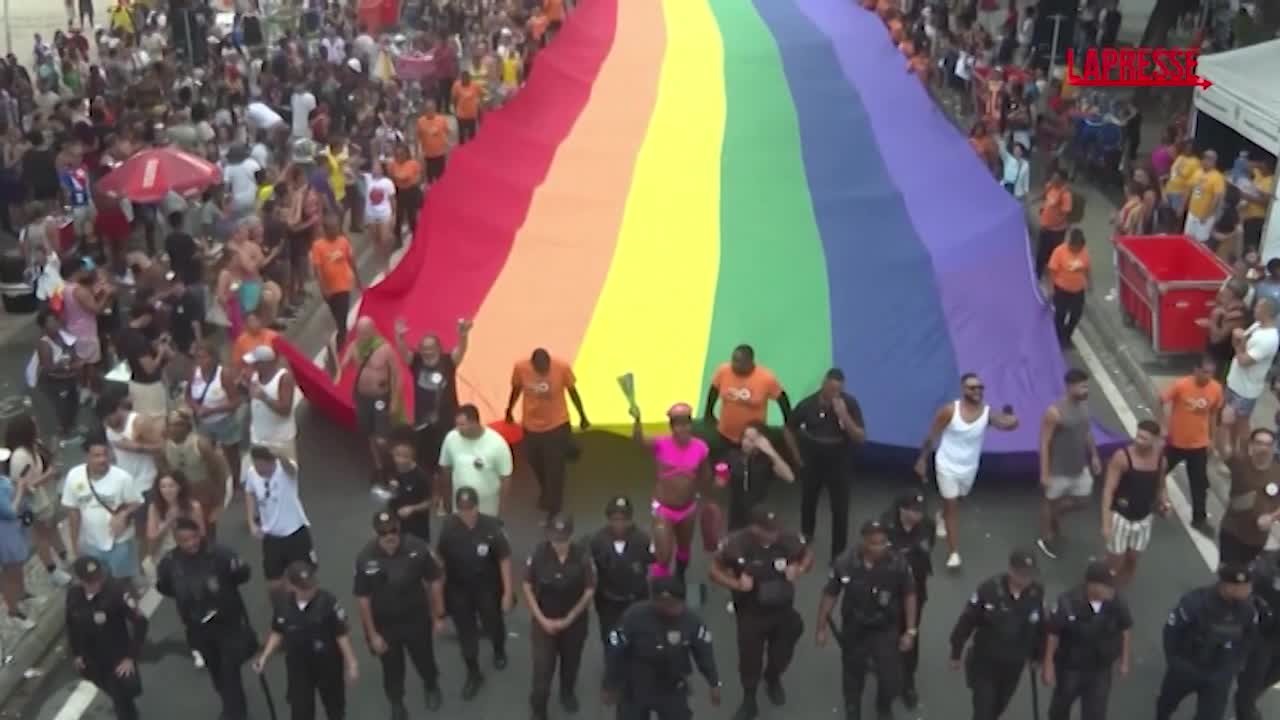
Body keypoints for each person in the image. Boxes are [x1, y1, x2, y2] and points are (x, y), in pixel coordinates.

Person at [709, 505, 812, 720]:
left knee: (784, 649)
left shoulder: (788, 539)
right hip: (751, 612)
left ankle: (773, 677)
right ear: (754, 528)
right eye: (768, 530)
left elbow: (807, 554)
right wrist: (736, 584)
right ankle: (749, 700)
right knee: (749, 658)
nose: (774, 534)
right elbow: (714, 570)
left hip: (783, 609)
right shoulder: (736, 543)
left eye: (775, 529)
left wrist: (800, 569)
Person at [914, 374, 1020, 568]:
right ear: (963, 390)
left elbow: (1006, 425)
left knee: (957, 499)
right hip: (946, 465)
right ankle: (954, 553)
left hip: (969, 468)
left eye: (980, 387)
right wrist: (921, 459)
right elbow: (932, 436)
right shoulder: (948, 411)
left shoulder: (988, 413)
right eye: (972, 388)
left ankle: (941, 515)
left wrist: (1013, 421)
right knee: (953, 508)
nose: (977, 391)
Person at [816, 519, 918, 720]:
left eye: (883, 542)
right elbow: (830, 594)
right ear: (863, 541)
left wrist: (910, 630)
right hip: (855, 627)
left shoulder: (898, 563)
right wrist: (820, 627)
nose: (879, 547)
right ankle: (853, 711)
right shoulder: (845, 562)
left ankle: (883, 706)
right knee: (853, 675)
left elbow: (910, 595)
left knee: (891, 678)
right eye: (873, 543)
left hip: (885, 627)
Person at [155, 519, 257, 720]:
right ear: (177, 541)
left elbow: (243, 574)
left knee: (230, 672)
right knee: (216, 672)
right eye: (185, 540)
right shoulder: (169, 563)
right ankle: (230, 704)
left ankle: (236, 714)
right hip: (197, 627)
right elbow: (166, 587)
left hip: (228, 623)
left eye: (194, 538)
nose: (191, 543)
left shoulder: (220, 554)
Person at [354, 511, 446, 718]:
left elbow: (435, 578)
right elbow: (362, 598)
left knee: (424, 659)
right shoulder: (365, 558)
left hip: (416, 619)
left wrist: (438, 614)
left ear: (399, 529)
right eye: (383, 532)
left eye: (393, 530)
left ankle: (431, 686)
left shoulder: (417, 548)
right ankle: (397, 703)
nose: (390, 536)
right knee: (392, 668)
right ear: (376, 533)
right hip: (385, 625)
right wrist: (372, 635)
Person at [603, 576, 723, 719]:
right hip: (636, 684)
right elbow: (616, 651)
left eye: (677, 603)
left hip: (672, 685)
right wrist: (610, 684)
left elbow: (704, 652)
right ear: (655, 601)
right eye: (668, 604)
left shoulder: (691, 621)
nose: (675, 608)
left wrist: (714, 682)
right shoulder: (634, 616)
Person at [253, 562, 359, 720]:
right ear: (291, 586)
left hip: (327, 664)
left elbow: (341, 634)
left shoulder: (328, 602)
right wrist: (265, 657)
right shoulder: (283, 605)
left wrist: (352, 663)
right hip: (299, 665)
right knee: (301, 711)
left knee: (335, 709)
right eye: (303, 588)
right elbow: (278, 631)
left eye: (311, 586)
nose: (309, 591)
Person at [436, 486, 515, 699]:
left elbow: (504, 558)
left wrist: (507, 593)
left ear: (477, 507)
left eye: (470, 508)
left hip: (487, 588)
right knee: (466, 634)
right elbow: (441, 563)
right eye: (462, 509)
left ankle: (499, 649)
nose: (466, 513)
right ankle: (473, 673)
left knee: (493, 622)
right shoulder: (449, 528)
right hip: (458, 590)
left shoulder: (491, 526)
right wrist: (439, 604)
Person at [948, 549, 1044, 720]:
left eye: (1029, 575)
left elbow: (1038, 625)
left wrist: (1037, 655)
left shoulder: (1036, 593)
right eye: (1021, 574)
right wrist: (956, 652)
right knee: (983, 711)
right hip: (985, 663)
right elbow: (967, 621)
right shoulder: (989, 590)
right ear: (1011, 569)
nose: (1025, 579)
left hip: (1013, 665)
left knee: (998, 707)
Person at [1155, 564, 1259, 720]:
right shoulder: (1195, 602)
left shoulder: (1248, 609)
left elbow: (1250, 636)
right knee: (1166, 704)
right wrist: (1175, 663)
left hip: (1219, 673)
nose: (1249, 590)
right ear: (1228, 587)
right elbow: (1171, 631)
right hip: (1189, 665)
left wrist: (1236, 664)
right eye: (1244, 587)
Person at [783, 368, 866, 561]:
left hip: (839, 460)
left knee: (840, 508)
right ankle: (805, 539)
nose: (834, 395)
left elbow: (860, 437)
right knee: (808, 502)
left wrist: (843, 415)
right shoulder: (807, 404)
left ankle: (838, 554)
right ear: (823, 385)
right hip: (813, 458)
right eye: (831, 390)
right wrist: (797, 457)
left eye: (838, 391)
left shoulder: (850, 404)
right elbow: (788, 429)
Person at [523, 513, 596, 720]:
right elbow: (527, 586)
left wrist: (570, 618)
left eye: (563, 539)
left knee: (571, 662)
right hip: (544, 620)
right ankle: (539, 707)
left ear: (571, 536)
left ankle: (567, 692)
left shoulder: (582, 556)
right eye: (555, 538)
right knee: (542, 668)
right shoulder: (539, 553)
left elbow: (589, 590)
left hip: (574, 622)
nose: (559, 543)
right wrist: (541, 619)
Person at [505, 348, 589, 519]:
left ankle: (554, 507)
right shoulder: (521, 368)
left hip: (557, 424)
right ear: (533, 364)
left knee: (554, 467)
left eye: (546, 367)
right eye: (540, 368)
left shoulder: (561, 368)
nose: (544, 371)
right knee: (535, 461)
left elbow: (573, 392)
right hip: (531, 424)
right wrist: (509, 409)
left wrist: (582, 416)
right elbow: (516, 389)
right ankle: (546, 489)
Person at [1042, 561, 1132, 720]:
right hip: (1072, 667)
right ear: (1092, 585)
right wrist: (1047, 664)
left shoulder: (1116, 601)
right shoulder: (1067, 603)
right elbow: (1053, 634)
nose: (1110, 590)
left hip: (1100, 668)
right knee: (1060, 709)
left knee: (1095, 714)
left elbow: (1125, 628)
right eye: (1106, 586)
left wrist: (1124, 660)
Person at [631, 402, 710, 582]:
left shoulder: (700, 447)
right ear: (672, 427)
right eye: (678, 424)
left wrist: (706, 498)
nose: (683, 428)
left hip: (688, 508)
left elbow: (705, 476)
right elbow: (638, 442)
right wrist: (637, 421)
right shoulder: (661, 443)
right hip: (664, 508)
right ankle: (660, 589)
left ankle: (679, 580)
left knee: (683, 548)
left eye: (686, 423)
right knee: (664, 555)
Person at [395, 317, 470, 501]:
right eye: (424, 349)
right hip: (424, 423)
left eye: (431, 348)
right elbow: (403, 352)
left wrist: (463, 335)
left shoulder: (448, 361)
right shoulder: (416, 362)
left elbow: (461, 350)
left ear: (438, 347)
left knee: (449, 461)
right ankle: (435, 493)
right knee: (428, 462)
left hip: (447, 421)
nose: (427, 352)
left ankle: (450, 493)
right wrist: (400, 337)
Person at [65, 556, 148, 720]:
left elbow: (140, 622)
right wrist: (76, 654)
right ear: (80, 580)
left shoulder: (116, 591)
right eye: (90, 581)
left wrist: (130, 657)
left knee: (122, 699)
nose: (96, 584)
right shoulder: (73, 595)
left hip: (116, 658)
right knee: (114, 693)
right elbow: (71, 626)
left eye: (97, 579)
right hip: (91, 660)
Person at [1036, 369, 1102, 559]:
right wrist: (1045, 472)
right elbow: (1044, 442)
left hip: (1079, 466)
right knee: (1049, 501)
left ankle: (1056, 515)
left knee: (1083, 500)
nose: (1085, 390)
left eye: (1086, 385)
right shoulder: (1054, 413)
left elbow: (1087, 431)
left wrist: (1095, 456)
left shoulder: (1084, 406)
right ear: (1069, 387)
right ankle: (1046, 536)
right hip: (1058, 469)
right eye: (1082, 386)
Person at [61, 434, 142, 585]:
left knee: (124, 584)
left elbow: (136, 503)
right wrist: (75, 544)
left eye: (105, 454)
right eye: (96, 456)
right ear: (87, 457)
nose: (102, 459)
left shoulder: (123, 478)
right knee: (99, 584)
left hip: (120, 543)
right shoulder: (74, 476)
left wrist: (123, 515)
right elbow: (73, 512)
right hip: (91, 544)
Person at [881, 493, 935, 709]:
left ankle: (907, 682)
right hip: (890, 591)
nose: (918, 515)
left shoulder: (927, 525)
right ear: (902, 509)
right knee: (885, 633)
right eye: (913, 510)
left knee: (911, 632)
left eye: (920, 511)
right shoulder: (886, 526)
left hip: (916, 590)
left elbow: (925, 551)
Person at [4, 414, 72, 587]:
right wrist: (48, 475)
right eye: (34, 425)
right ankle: (52, 571)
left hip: (45, 498)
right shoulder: (20, 457)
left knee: (52, 527)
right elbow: (21, 486)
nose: (38, 427)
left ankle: (64, 556)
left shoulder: (34, 446)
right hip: (32, 504)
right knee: (41, 535)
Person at [1100, 420, 1170, 586]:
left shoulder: (1161, 460)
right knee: (1115, 560)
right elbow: (1108, 490)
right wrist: (1106, 523)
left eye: (1144, 438)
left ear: (1155, 440)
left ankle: (1121, 585)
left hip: (1144, 518)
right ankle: (1104, 583)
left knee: (1133, 558)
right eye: (1138, 436)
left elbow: (1161, 485)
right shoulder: (1121, 458)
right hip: (1121, 517)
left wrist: (1165, 504)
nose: (1138, 440)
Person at [1161, 356, 1223, 536]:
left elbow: (1213, 415)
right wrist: (1163, 426)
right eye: (1205, 372)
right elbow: (1161, 400)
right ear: (1195, 370)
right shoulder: (1181, 385)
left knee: (1199, 484)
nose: (1208, 376)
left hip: (1198, 445)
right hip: (1175, 443)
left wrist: (1213, 439)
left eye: (1211, 372)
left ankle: (1199, 520)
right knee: (1157, 471)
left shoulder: (1216, 389)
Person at [242, 445, 315, 595]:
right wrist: (251, 522)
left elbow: (291, 468)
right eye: (255, 464)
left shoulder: (286, 471)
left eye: (261, 465)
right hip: (271, 536)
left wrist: (280, 454)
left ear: (271, 462)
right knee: (274, 585)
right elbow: (249, 492)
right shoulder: (252, 473)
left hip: (295, 533)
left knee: (304, 579)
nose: (258, 469)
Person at [703, 345, 791, 459]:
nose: (734, 365)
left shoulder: (766, 378)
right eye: (733, 360)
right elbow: (714, 390)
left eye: (739, 362)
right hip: (725, 434)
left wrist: (788, 422)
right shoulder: (723, 371)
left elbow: (782, 399)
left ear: (750, 362)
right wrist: (708, 412)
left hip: (753, 439)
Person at [587, 496, 654, 647]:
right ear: (609, 520)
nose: (619, 524)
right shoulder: (597, 541)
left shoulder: (643, 540)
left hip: (636, 599)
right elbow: (587, 568)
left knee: (637, 639)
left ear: (630, 520)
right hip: (608, 601)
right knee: (611, 640)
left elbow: (656, 562)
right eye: (615, 519)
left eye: (624, 519)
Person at [1214, 416, 1280, 566]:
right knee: (1226, 571)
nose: (1264, 448)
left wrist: (1272, 517)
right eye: (1259, 443)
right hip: (1232, 531)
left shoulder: (1278, 470)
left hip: (1258, 537)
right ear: (1252, 445)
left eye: (1268, 444)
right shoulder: (1240, 463)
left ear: (1274, 447)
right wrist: (1224, 425)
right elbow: (1222, 448)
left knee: (1246, 572)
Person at [343, 317, 400, 481]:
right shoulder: (354, 347)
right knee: (370, 434)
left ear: (373, 331)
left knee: (382, 438)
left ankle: (393, 466)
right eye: (360, 333)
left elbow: (397, 375)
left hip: (380, 398)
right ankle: (379, 468)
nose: (363, 336)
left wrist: (395, 400)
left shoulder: (385, 349)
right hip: (363, 398)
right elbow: (342, 366)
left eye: (366, 332)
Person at [163, 409, 229, 538]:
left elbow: (218, 472)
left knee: (205, 531)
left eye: (178, 424)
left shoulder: (200, 445)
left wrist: (219, 503)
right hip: (180, 496)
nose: (174, 428)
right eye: (171, 424)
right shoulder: (164, 446)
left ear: (187, 426)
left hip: (203, 495)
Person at [439, 404, 514, 516]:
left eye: (462, 425)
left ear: (475, 423)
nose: (458, 429)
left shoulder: (497, 443)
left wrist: (502, 510)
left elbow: (505, 478)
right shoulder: (451, 438)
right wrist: (446, 499)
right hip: (460, 508)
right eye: (457, 425)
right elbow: (445, 469)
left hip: (487, 509)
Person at [1224, 297, 1279, 449]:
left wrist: (1237, 343)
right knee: (1231, 420)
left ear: (1267, 312)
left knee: (1242, 422)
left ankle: (1243, 452)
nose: (1254, 309)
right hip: (1235, 382)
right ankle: (1232, 448)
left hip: (1246, 390)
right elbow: (1243, 341)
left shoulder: (1268, 339)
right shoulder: (1257, 325)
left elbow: (1244, 360)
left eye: (1258, 307)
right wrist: (1239, 339)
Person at [725, 422, 795, 532]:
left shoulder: (766, 461)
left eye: (752, 440)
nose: (746, 443)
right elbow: (721, 479)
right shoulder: (733, 455)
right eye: (745, 438)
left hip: (758, 515)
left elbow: (789, 477)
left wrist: (770, 451)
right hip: (736, 517)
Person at [1235, 550, 1280, 720]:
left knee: (1265, 681)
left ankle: (1250, 701)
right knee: (1247, 692)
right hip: (1262, 637)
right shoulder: (1266, 567)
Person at [309, 215, 361, 350]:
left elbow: (351, 260)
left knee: (342, 322)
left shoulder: (343, 241)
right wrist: (323, 289)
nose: (335, 230)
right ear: (326, 230)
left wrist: (358, 279)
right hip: (330, 290)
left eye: (337, 227)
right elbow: (318, 270)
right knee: (339, 320)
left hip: (344, 286)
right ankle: (339, 345)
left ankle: (341, 348)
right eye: (332, 228)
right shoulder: (318, 246)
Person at [244, 345, 298, 463]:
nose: (252, 366)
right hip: (259, 438)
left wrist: (264, 397)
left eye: (255, 363)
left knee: (287, 475)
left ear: (265, 364)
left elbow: (285, 410)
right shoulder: (254, 377)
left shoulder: (284, 378)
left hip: (280, 440)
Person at [381, 429, 434, 542]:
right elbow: (387, 494)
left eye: (405, 456)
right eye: (397, 455)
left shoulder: (421, 477)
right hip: (395, 526)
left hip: (416, 528)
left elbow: (430, 501)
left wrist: (412, 509)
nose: (400, 460)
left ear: (412, 456)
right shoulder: (390, 469)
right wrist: (390, 490)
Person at [1047, 229, 1091, 344]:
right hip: (1062, 290)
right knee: (1060, 314)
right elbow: (1052, 270)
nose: (1077, 250)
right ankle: (1058, 338)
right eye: (1075, 248)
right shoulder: (1060, 252)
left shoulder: (1084, 252)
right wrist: (1051, 288)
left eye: (1079, 248)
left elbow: (1087, 268)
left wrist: (1089, 282)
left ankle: (1067, 335)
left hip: (1078, 290)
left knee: (1076, 315)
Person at [1033, 168, 1072, 276]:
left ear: (1062, 181)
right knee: (1041, 253)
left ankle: (1052, 277)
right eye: (1053, 177)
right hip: (1045, 228)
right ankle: (1037, 275)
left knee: (1053, 256)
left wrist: (1050, 225)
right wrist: (1034, 202)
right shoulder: (1050, 186)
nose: (1053, 180)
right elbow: (1044, 196)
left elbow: (1064, 215)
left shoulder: (1065, 195)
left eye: (1056, 179)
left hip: (1056, 232)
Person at [1184, 150, 1226, 244]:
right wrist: (1184, 205)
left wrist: (1207, 215)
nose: (1205, 161)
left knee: (1200, 242)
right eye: (1204, 158)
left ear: (1214, 161)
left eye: (1209, 159)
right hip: (1192, 212)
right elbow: (1189, 188)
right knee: (1187, 238)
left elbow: (1217, 198)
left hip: (1205, 216)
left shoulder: (1217, 177)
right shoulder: (1197, 172)